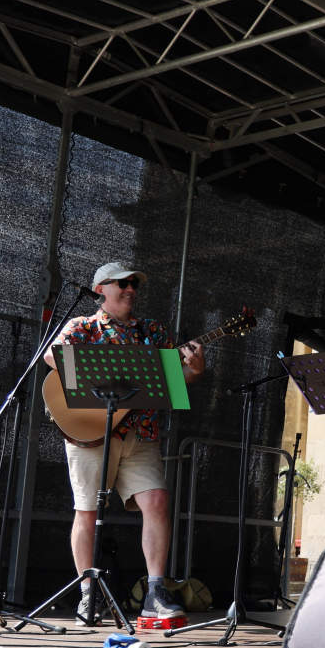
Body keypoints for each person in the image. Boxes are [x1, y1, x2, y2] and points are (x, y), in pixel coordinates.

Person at [45, 263, 205, 625]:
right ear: (101, 288)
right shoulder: (83, 326)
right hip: (91, 432)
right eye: (123, 283)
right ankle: (88, 595)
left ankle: (155, 594)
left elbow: (179, 376)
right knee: (87, 510)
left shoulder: (153, 331)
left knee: (157, 500)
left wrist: (195, 369)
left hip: (140, 432)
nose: (131, 288)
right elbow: (52, 356)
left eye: (134, 284)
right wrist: (105, 371)